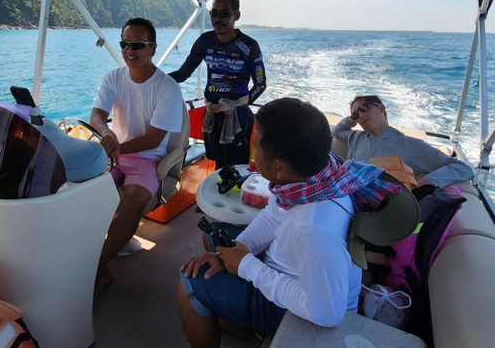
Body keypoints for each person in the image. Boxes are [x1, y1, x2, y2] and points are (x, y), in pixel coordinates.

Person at [177, 98, 401, 347]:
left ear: (278, 167)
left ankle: (242, 315)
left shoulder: (314, 228)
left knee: (189, 284)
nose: (254, 153)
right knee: (213, 237)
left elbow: (327, 314)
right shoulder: (318, 177)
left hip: (302, 309)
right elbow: (273, 215)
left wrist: (247, 266)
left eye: (256, 148)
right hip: (289, 268)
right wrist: (240, 249)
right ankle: (241, 323)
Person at [90, 18, 183, 295]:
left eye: (138, 44)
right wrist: (107, 134)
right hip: (113, 152)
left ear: (153, 48)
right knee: (79, 191)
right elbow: (97, 115)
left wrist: (117, 146)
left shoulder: (167, 87)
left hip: (147, 158)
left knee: (133, 202)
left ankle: (93, 268)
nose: (131, 50)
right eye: (125, 44)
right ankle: (97, 259)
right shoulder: (113, 78)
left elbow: (154, 139)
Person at [169, 0, 266, 168]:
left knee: (236, 166)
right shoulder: (205, 41)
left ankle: (234, 193)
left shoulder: (249, 46)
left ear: (236, 15)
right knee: (217, 163)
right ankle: (217, 193)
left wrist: (242, 103)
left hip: (236, 116)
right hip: (212, 115)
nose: (217, 19)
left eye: (224, 14)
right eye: (214, 13)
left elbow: (260, 83)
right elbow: (183, 74)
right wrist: (154, 78)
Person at [332, 95, 474, 188]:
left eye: (364, 108)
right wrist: (353, 118)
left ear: (381, 108)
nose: (361, 115)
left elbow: (463, 168)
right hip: (342, 191)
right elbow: (336, 131)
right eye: (356, 114)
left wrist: (426, 182)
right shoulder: (355, 136)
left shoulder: (409, 145)